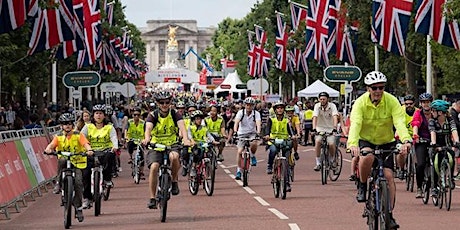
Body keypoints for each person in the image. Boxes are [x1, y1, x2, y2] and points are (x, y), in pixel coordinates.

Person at [347, 71, 411, 229]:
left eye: (381, 87)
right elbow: (355, 124)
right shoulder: (360, 103)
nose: (377, 91)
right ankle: (362, 185)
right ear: (368, 88)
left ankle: (389, 214)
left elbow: (399, 122)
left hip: (386, 141)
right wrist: (353, 144)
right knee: (367, 157)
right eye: (374, 88)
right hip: (366, 139)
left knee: (389, 176)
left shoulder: (392, 101)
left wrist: (405, 140)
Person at [142, 91, 191, 209]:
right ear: (157, 103)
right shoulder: (153, 115)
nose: (164, 105)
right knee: (154, 167)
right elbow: (148, 128)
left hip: (172, 144)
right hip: (156, 145)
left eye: (167, 102)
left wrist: (185, 139)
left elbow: (182, 127)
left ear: (170, 103)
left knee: (174, 157)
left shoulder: (175, 114)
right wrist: (147, 139)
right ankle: (152, 198)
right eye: (161, 102)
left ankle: (174, 181)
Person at [44, 113, 93, 222]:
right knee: (62, 160)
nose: (67, 126)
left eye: (70, 124)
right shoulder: (58, 136)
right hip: (65, 162)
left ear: (72, 125)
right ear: (61, 126)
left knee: (79, 183)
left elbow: (85, 144)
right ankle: (58, 183)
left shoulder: (78, 135)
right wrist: (48, 149)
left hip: (78, 162)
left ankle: (78, 208)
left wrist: (89, 150)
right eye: (65, 124)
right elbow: (51, 145)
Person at [80, 104, 118, 209]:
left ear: (104, 115)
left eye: (101, 113)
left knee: (110, 156)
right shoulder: (88, 126)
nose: (98, 116)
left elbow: (114, 137)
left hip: (105, 152)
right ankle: (87, 198)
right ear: (93, 115)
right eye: (96, 113)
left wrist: (115, 146)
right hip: (91, 153)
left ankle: (107, 179)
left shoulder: (109, 127)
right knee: (86, 174)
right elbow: (81, 138)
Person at [428, 99, 459, 197]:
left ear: (440, 112)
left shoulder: (450, 120)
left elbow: (454, 131)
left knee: (451, 157)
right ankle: (434, 187)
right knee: (435, 163)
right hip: (437, 145)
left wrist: (457, 141)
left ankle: (451, 179)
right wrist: (433, 143)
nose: (431, 112)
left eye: (433, 110)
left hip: (447, 145)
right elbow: (432, 133)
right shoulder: (432, 121)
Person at [263, 101, 295, 178]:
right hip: (273, 141)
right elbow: (268, 129)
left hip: (284, 141)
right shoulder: (271, 119)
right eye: (278, 108)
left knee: (286, 156)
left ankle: (287, 180)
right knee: (273, 151)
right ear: (275, 110)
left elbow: (290, 129)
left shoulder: (286, 119)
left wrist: (293, 136)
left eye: (281, 108)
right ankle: (269, 166)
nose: (280, 109)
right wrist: (267, 135)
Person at [233, 97, 262, 180]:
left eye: (251, 105)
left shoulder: (256, 114)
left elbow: (258, 123)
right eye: (247, 105)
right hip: (241, 134)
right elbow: (236, 122)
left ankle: (252, 156)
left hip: (252, 133)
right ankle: (239, 170)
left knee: (254, 143)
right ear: (245, 105)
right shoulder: (240, 113)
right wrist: (235, 132)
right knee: (239, 152)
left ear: (253, 106)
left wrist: (258, 132)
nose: (249, 107)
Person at [411, 92, 433, 198]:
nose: (426, 104)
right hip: (421, 141)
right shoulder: (418, 113)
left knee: (436, 163)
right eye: (424, 102)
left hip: (434, 141)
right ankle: (419, 187)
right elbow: (415, 124)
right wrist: (415, 135)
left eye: (428, 102)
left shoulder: (435, 113)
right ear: (421, 104)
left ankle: (436, 185)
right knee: (420, 164)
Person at [187, 110, 219, 177]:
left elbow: (209, 135)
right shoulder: (190, 127)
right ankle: (193, 168)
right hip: (195, 146)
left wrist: (213, 141)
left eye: (200, 119)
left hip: (203, 145)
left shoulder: (204, 128)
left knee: (210, 152)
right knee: (196, 155)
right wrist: (192, 141)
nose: (199, 120)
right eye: (197, 119)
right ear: (194, 120)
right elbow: (189, 135)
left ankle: (208, 167)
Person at [312, 92, 338, 171]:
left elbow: (335, 116)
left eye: (324, 99)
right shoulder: (317, 106)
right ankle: (318, 163)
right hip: (320, 128)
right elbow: (315, 117)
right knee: (318, 141)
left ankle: (332, 160)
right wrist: (314, 128)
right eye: (321, 99)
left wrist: (335, 127)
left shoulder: (332, 106)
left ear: (328, 99)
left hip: (330, 128)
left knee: (331, 143)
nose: (322, 101)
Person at [395, 94, 417, 180]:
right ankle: (401, 168)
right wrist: (397, 133)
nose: (409, 105)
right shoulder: (400, 111)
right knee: (401, 152)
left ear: (414, 103)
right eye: (407, 104)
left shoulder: (418, 112)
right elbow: (399, 123)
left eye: (411, 104)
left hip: (415, 135)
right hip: (402, 134)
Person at [124, 107, 145, 174]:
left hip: (140, 140)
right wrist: (126, 137)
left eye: (138, 115)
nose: (136, 116)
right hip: (132, 139)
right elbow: (126, 130)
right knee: (130, 145)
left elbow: (146, 131)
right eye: (135, 115)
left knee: (141, 155)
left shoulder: (143, 123)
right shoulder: (130, 122)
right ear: (132, 115)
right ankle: (130, 157)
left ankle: (141, 170)